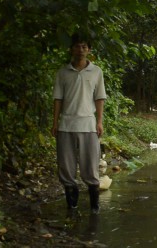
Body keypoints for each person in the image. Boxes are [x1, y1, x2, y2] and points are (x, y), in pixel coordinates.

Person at [51, 33, 107, 214]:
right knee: (66, 167)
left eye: (84, 47)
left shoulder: (96, 72)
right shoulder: (62, 73)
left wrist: (99, 122)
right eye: (77, 46)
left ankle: (94, 208)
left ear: (89, 50)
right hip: (66, 124)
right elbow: (58, 99)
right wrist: (55, 123)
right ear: (71, 49)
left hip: (89, 125)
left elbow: (99, 98)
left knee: (90, 166)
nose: (80, 50)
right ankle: (72, 207)